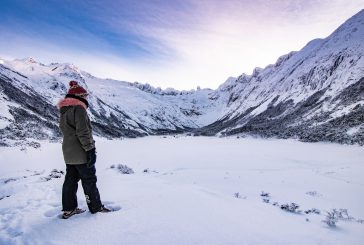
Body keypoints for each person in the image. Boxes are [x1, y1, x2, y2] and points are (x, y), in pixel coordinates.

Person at [58, 80, 110, 219]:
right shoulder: (79, 109)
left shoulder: (64, 110)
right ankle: (96, 207)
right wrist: (90, 150)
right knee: (89, 180)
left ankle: (69, 209)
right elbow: (83, 132)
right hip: (80, 152)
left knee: (70, 181)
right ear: (79, 96)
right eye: (84, 95)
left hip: (68, 153)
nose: (86, 98)